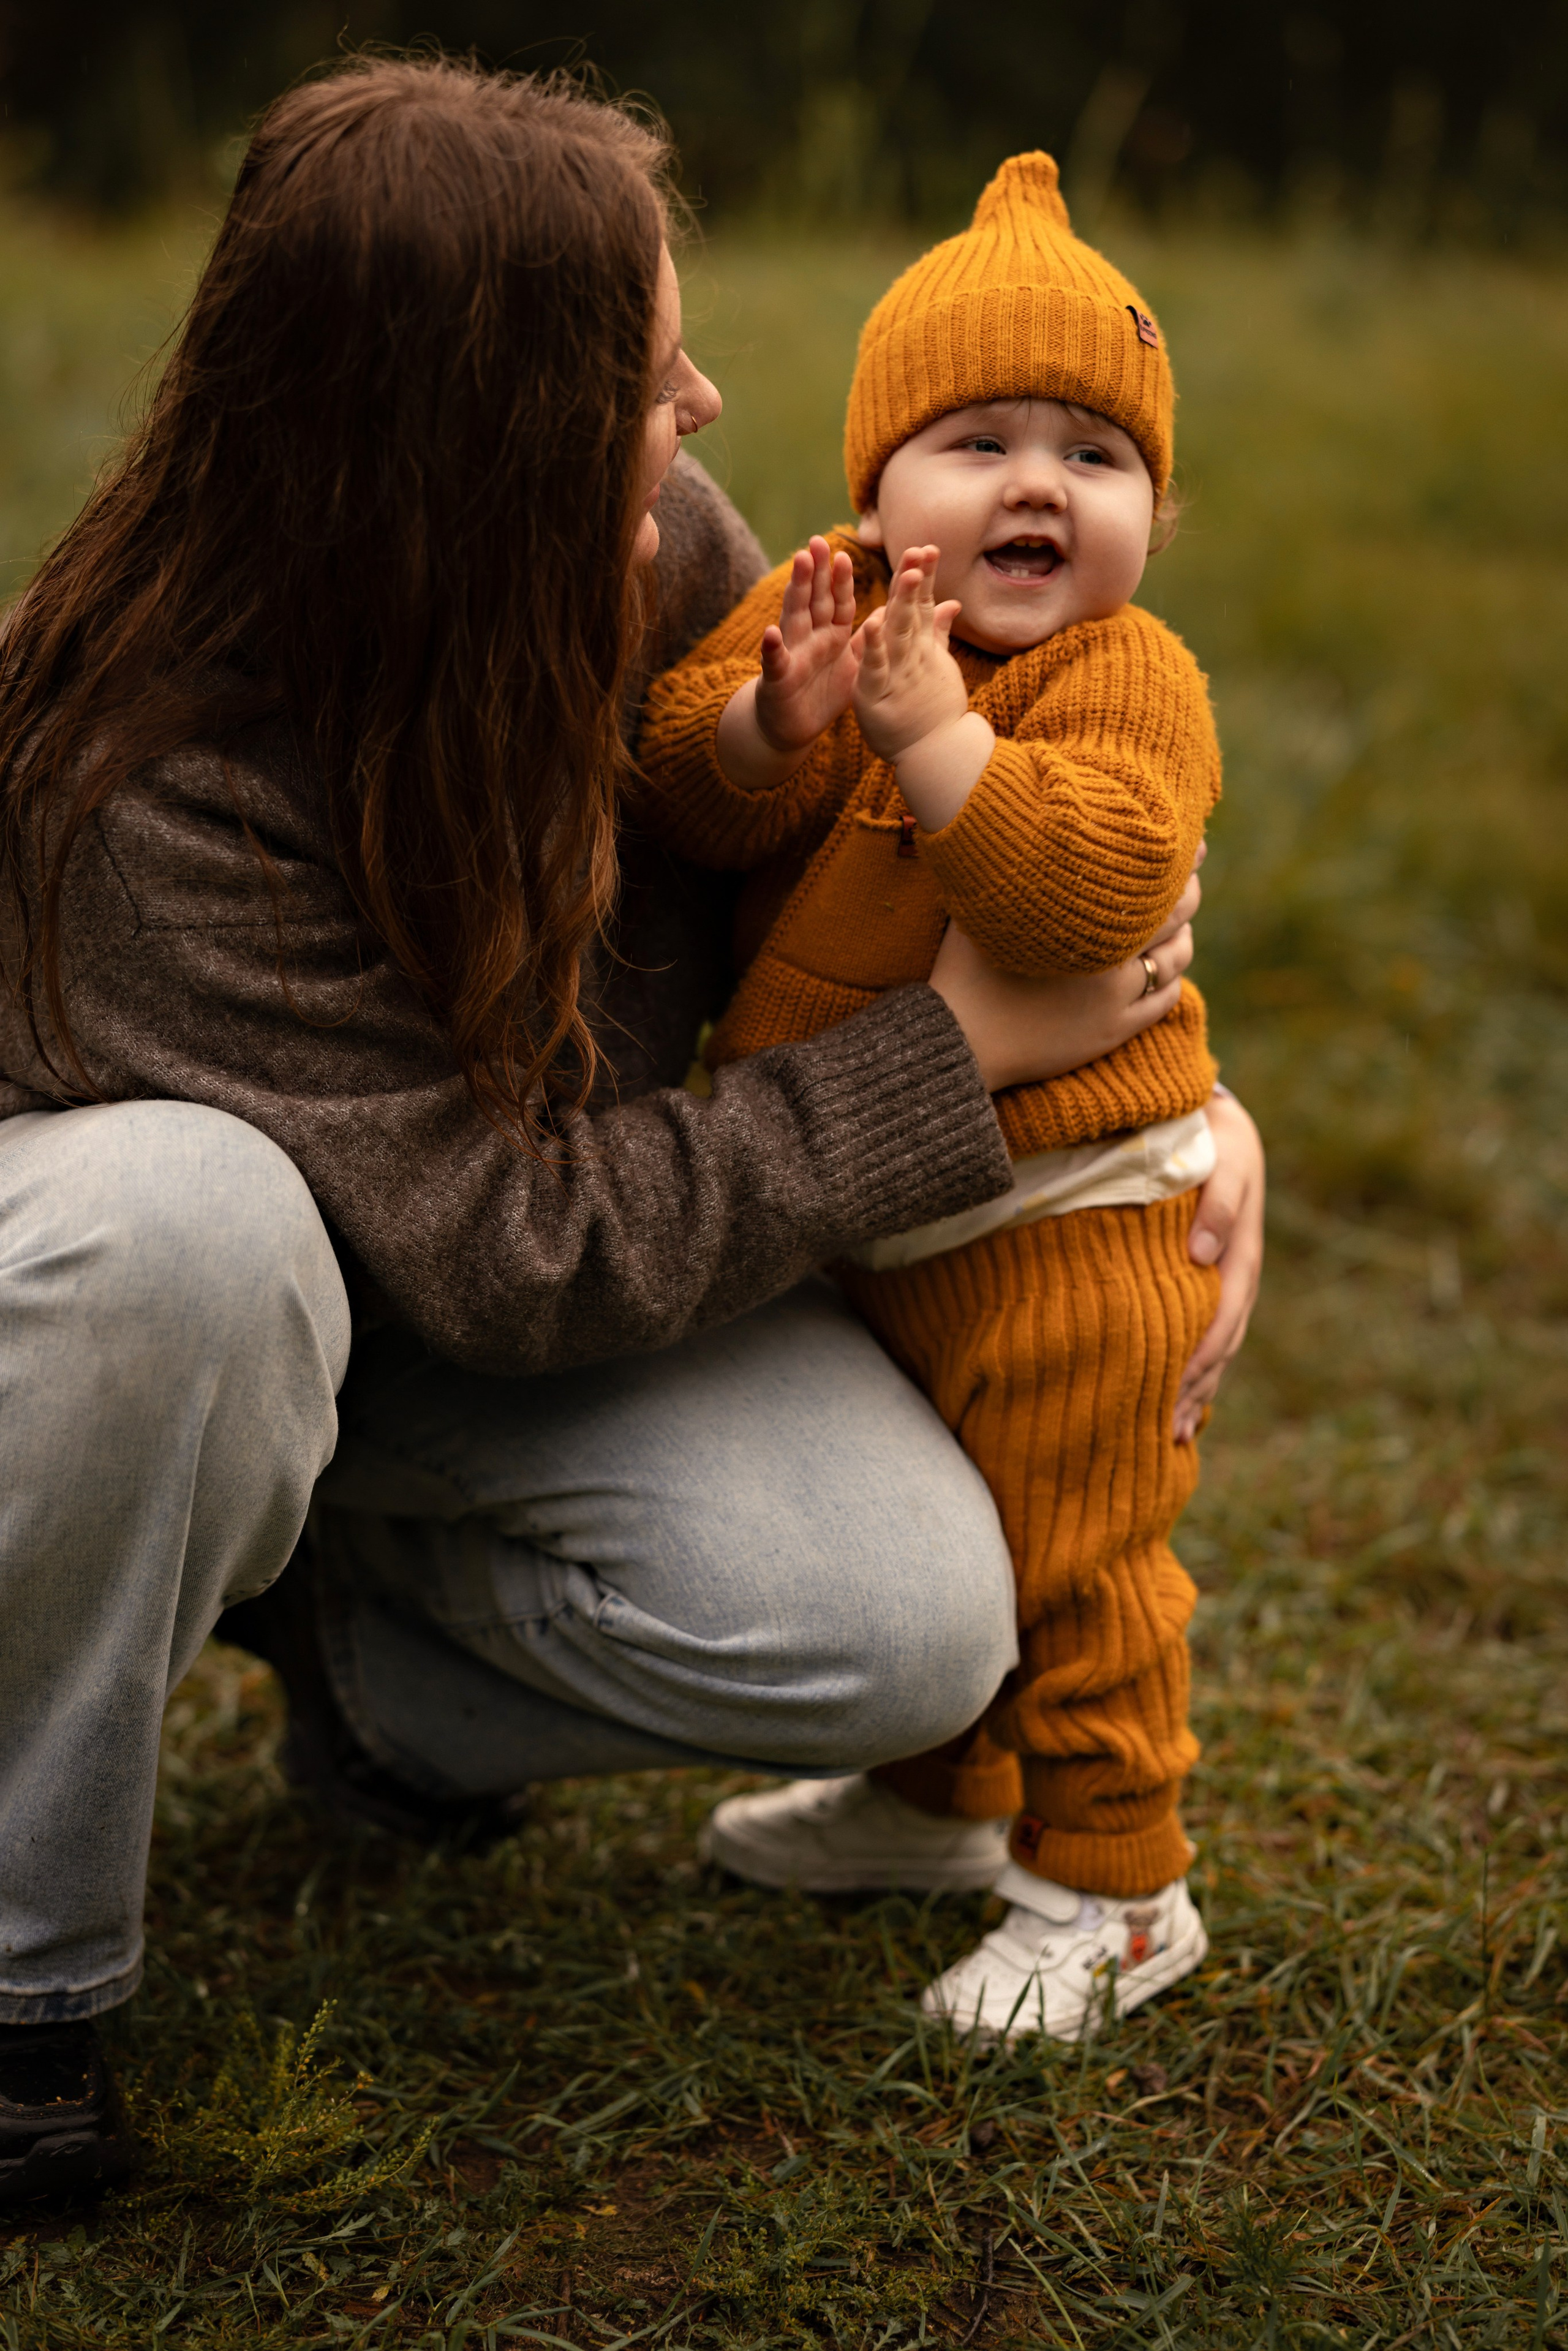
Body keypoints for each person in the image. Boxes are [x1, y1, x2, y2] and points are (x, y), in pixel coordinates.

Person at [0, 61, 1261, 2205]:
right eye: (640, 367)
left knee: (900, 1621)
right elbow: (517, 1250)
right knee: (180, 1232)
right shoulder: (160, 780)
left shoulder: (650, 550)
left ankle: (367, 1677)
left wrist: (1166, 1097)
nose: (699, 400)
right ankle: (27, 1978)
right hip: (141, 1339)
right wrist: (965, 1060)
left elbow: (853, 861)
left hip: (431, 1335)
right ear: (468, 435)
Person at [637, 153, 1240, 2040]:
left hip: (1069, 1212)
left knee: (1075, 1554)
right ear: (878, 484)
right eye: (977, 439)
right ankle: (934, 1810)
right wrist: (781, 717)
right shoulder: (834, 621)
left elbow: (1090, 898)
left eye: (1094, 453)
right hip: (889, 1204)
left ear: (1153, 511)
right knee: (964, 1520)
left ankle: (1120, 1887)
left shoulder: (1126, 676)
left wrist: (933, 736)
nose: (1039, 484)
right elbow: (684, 804)